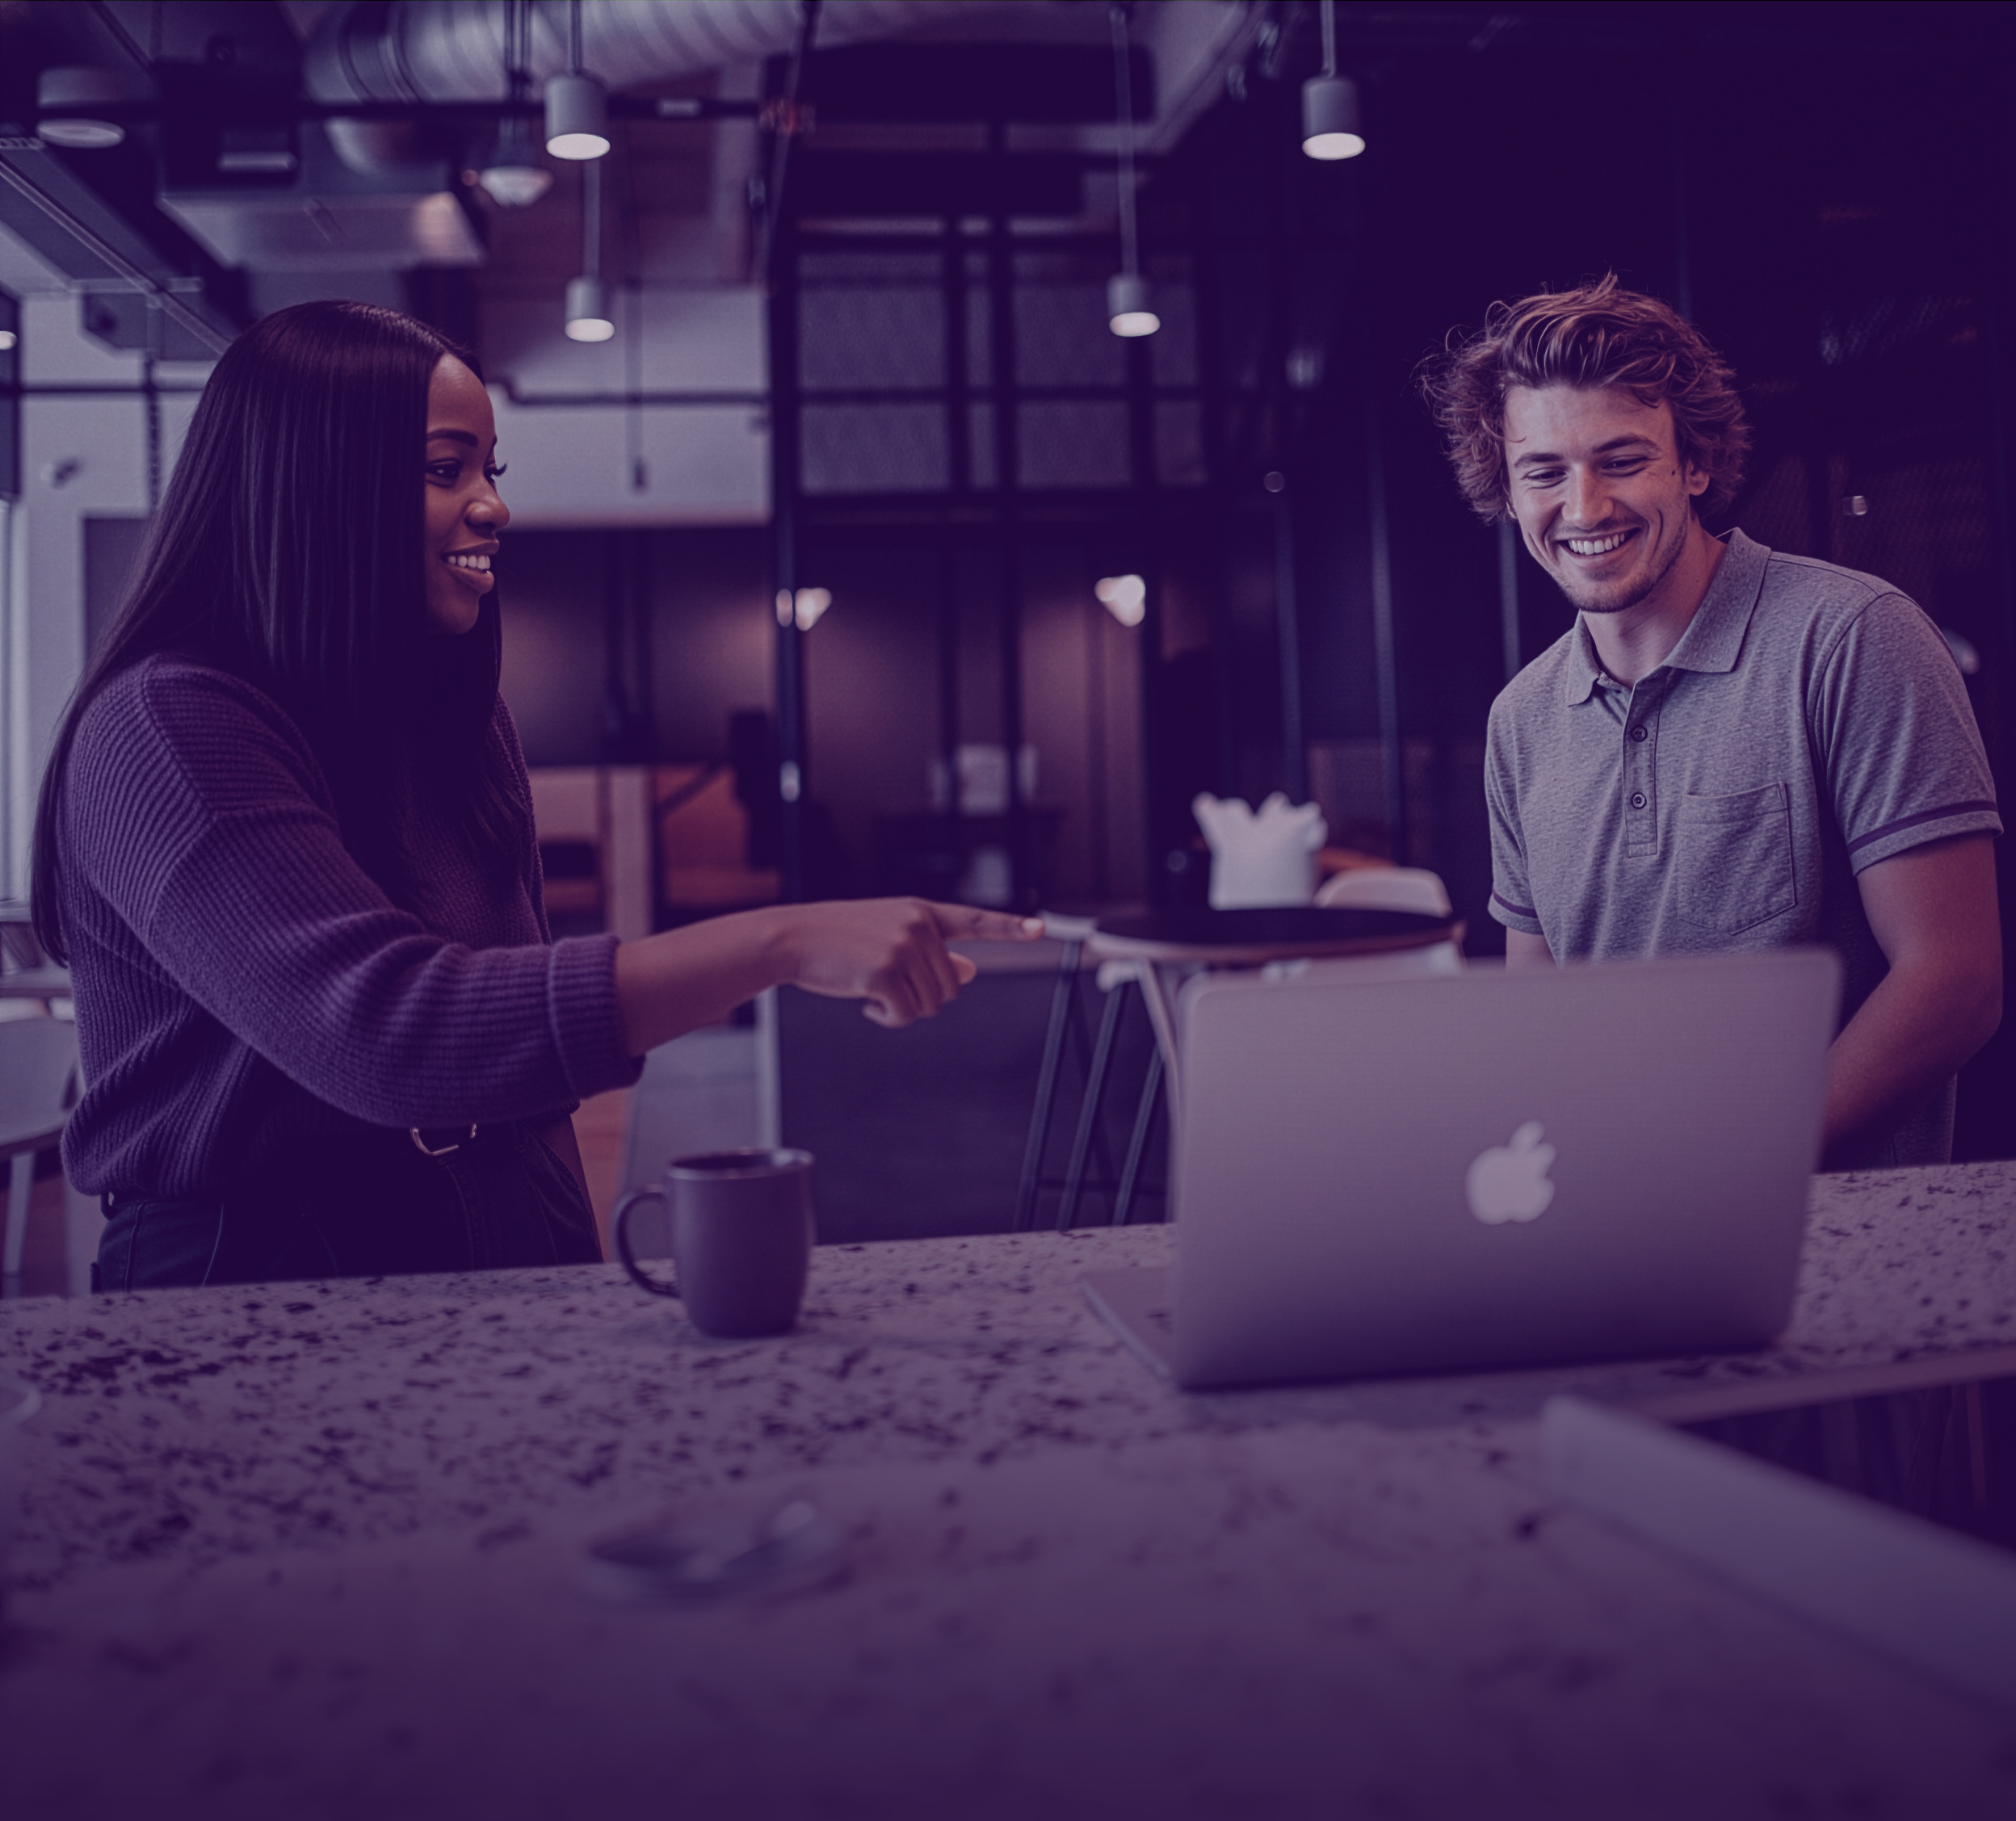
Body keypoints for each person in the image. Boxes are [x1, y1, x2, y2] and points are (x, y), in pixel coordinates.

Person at [32, 301, 1037, 1289]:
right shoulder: (164, 725)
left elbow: (518, 1032)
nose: (493, 505)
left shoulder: (453, 717)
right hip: (260, 1259)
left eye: (489, 469)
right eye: (443, 468)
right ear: (316, 484)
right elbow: (390, 1035)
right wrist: (777, 941)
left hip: (503, 1213)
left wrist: (574, 1259)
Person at [1422, 276, 2001, 1169]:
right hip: (1610, 1230)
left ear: (1693, 464)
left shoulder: (1851, 637)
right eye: (1544, 470)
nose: (1583, 507)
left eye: (1621, 459)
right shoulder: (1520, 720)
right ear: (1506, 488)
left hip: (1847, 1245)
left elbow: (1954, 981)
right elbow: (1541, 1023)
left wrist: (1731, 1166)